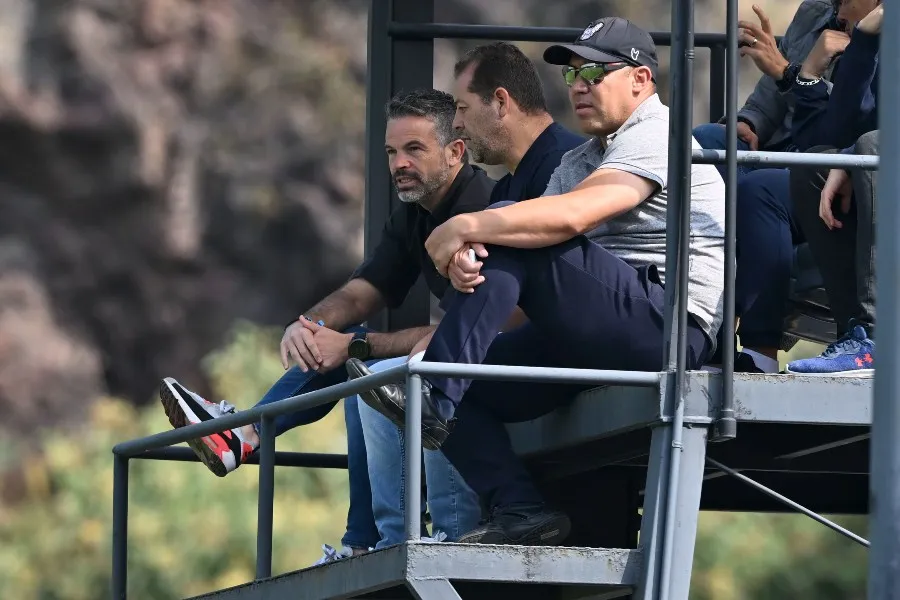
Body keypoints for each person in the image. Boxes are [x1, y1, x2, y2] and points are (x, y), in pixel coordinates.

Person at [348, 17, 726, 545]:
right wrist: (470, 259)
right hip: (599, 330)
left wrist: (465, 228)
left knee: (512, 236)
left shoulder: (658, 135)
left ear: (641, 79)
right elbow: (522, 226)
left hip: (667, 326)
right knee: (444, 377)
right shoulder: (580, 159)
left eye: (594, 72)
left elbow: (568, 217)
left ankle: (438, 393)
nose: (578, 86)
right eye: (572, 74)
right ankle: (519, 508)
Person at [156, 88, 495, 561]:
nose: (399, 163)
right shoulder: (414, 215)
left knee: (367, 368)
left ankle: (247, 436)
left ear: (455, 151)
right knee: (361, 372)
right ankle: (361, 540)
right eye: (391, 152)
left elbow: (470, 333)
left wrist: (355, 345)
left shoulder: (484, 211)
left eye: (414, 149)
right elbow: (363, 290)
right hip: (454, 360)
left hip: (502, 365)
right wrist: (309, 324)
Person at [355, 42, 585, 549]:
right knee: (397, 377)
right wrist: (470, 263)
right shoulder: (507, 189)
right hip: (547, 340)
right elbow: (495, 278)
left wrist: (468, 240)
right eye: (392, 153)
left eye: (461, 108)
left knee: (432, 375)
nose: (457, 123)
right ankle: (391, 539)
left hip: (584, 340)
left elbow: (545, 280)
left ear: (500, 103)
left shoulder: (566, 163)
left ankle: (453, 531)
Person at [696, 0, 881, 374]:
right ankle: (701, 334)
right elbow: (776, 97)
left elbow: (845, 126)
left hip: (840, 159)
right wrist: (752, 120)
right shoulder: (816, 11)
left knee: (761, 191)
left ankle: (760, 352)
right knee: (706, 145)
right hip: (802, 149)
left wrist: (796, 74)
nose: (837, 9)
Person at [786, 3, 882, 375]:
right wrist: (864, 41)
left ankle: (876, 333)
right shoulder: (868, 36)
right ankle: (855, 334)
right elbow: (834, 133)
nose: (837, 10)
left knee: (873, 148)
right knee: (814, 167)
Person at [692, 0, 841, 176]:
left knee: (755, 184)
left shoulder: (867, 38)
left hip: (816, 162)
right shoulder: (812, 12)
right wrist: (748, 123)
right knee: (705, 137)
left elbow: (839, 122)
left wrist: (787, 73)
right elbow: (765, 101)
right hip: (774, 149)